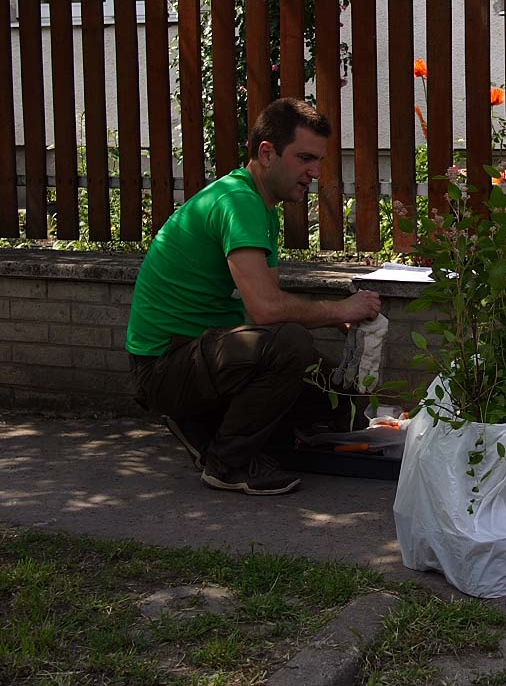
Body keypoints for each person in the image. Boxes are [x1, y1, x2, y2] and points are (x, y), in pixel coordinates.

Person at [126, 98, 381, 495]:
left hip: (200, 355)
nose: (315, 172)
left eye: (317, 161)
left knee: (341, 405)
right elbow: (266, 311)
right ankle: (228, 462)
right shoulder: (238, 201)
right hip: (164, 365)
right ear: (267, 152)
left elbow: (263, 303)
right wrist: (338, 310)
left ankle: (209, 425)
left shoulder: (262, 206)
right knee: (292, 345)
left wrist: (331, 319)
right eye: (305, 159)